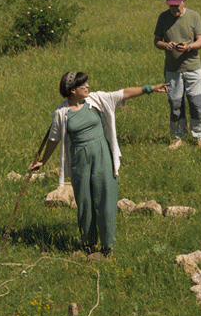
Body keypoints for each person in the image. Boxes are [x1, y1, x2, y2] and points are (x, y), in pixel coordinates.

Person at [29, 73, 168, 260]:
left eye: (86, 83)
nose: (87, 86)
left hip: (102, 156)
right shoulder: (61, 113)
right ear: (72, 90)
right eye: (82, 84)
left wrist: (149, 88)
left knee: (106, 198)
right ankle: (87, 244)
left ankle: (107, 248)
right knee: (85, 202)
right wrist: (43, 161)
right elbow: (54, 139)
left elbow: (122, 94)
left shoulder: (95, 100)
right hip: (80, 160)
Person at [153, 0, 201, 150]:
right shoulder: (163, 18)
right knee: (175, 104)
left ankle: (200, 136)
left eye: (177, 6)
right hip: (172, 70)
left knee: (196, 103)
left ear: (184, 1)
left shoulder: (194, 16)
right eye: (171, 6)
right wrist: (166, 45)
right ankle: (178, 136)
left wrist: (189, 47)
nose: (174, 9)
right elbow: (157, 41)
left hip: (192, 68)